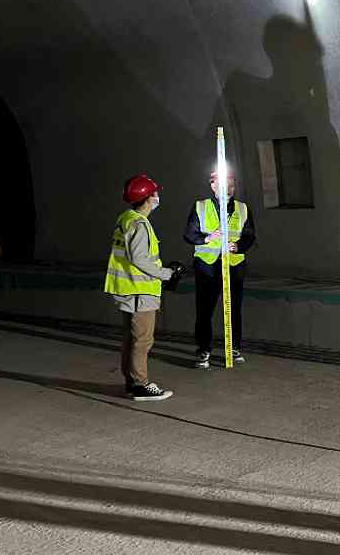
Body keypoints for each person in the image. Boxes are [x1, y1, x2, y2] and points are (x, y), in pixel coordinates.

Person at [103, 174, 175, 401]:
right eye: (155, 193)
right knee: (143, 340)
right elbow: (140, 259)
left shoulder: (126, 218)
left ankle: (131, 382)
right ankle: (141, 385)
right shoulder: (140, 224)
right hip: (139, 291)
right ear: (148, 198)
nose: (157, 197)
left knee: (131, 339)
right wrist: (167, 274)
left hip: (128, 288)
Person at [183, 169, 255, 367]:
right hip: (207, 267)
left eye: (232, 184)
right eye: (223, 184)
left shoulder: (243, 208)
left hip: (234, 265)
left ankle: (234, 347)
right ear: (212, 185)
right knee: (205, 311)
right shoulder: (200, 206)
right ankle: (204, 350)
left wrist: (239, 246)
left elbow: (249, 235)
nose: (228, 188)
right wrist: (207, 238)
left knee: (234, 310)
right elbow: (189, 234)